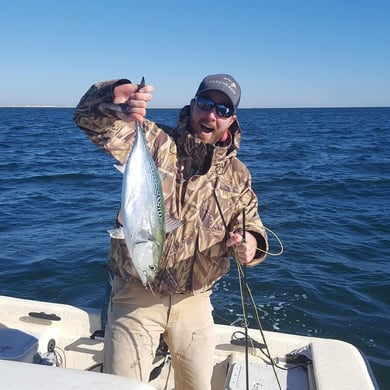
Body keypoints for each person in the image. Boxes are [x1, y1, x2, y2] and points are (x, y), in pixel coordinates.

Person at [74, 74, 269, 390]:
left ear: (232, 119)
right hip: (136, 297)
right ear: (192, 106)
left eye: (222, 110)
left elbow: (251, 224)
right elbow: (87, 120)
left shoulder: (238, 175)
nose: (210, 115)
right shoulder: (154, 141)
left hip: (195, 302)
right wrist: (113, 97)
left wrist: (249, 242)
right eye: (205, 104)